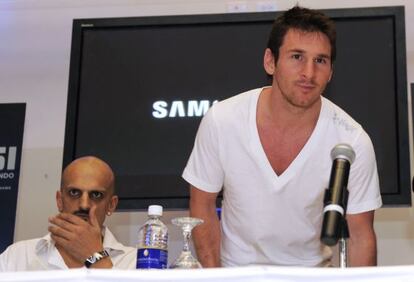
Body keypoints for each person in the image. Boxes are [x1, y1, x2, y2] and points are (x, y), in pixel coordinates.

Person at [182, 6, 382, 267]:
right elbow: (203, 207)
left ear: (331, 71)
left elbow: (360, 235)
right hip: (236, 274)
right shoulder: (222, 120)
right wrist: (216, 276)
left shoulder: (353, 141)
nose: (309, 73)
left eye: (320, 60)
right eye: (297, 56)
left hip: (313, 275)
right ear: (270, 61)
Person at [0, 156, 136, 271]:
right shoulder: (18, 256)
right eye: (74, 193)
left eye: (96, 194)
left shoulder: (135, 262)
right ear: (60, 200)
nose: (84, 204)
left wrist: (96, 257)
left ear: (111, 205)